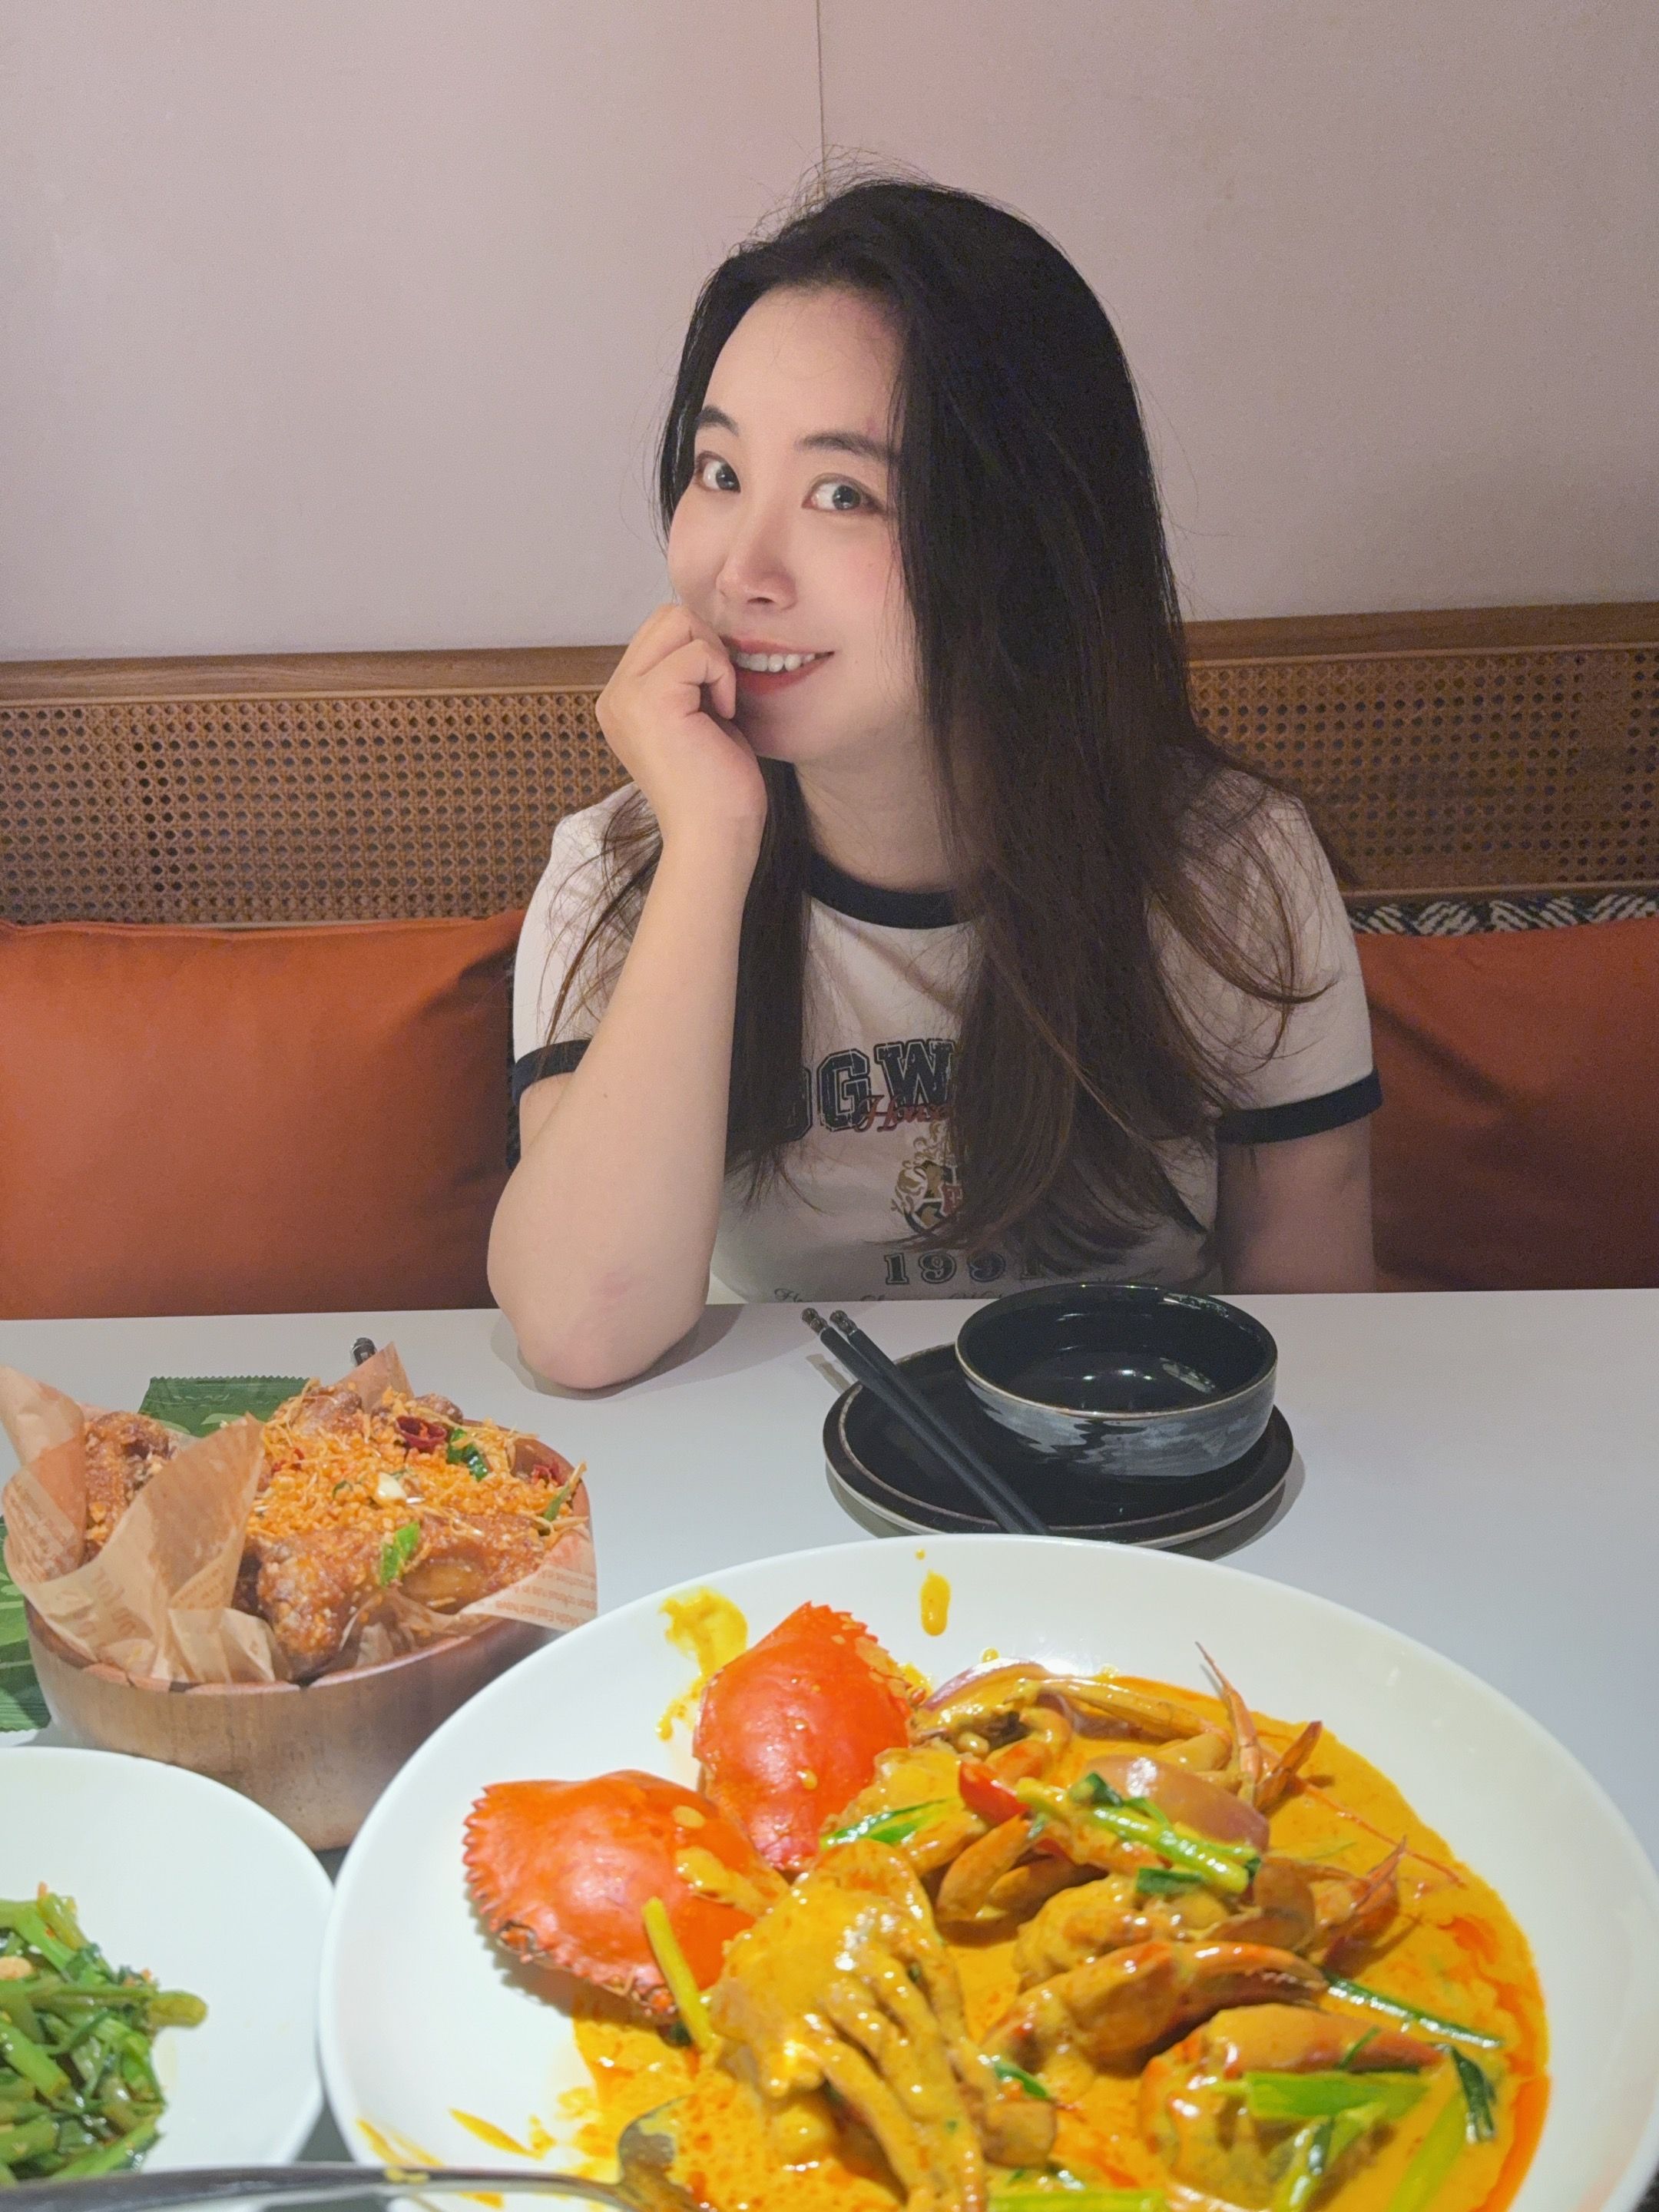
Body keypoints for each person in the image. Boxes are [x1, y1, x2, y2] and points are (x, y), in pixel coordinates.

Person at [491, 177, 1379, 1389]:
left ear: (1025, 540)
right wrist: (710, 846)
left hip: (1118, 1456)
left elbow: (1315, 1343)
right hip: (762, 1464)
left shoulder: (1229, 870)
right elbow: (579, 1333)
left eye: (843, 494)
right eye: (719, 472)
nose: (740, 571)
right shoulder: (624, 869)